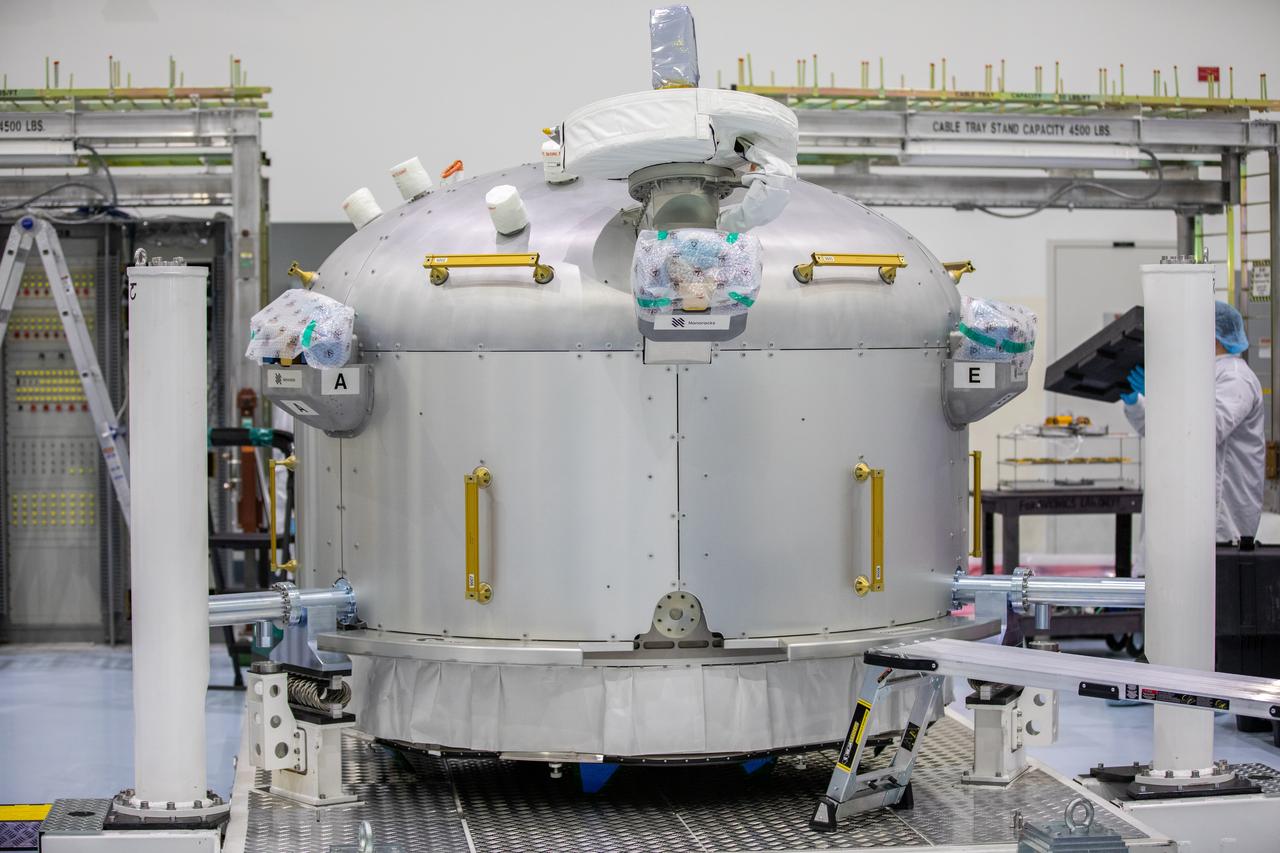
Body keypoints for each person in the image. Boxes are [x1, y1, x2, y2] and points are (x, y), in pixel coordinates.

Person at [1120, 300, 1266, 543]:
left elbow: (1206, 431)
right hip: (1181, 511)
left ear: (1214, 337)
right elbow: (1166, 430)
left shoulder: (1235, 377)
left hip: (1218, 521)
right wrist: (1136, 404)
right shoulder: (1199, 374)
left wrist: (1161, 391)